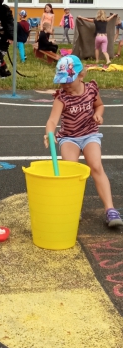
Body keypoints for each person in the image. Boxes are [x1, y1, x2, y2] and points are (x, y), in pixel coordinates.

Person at [44, 55, 123, 227]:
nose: (65, 85)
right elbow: (52, 120)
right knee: (71, 171)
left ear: (81, 75)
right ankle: (73, 207)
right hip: (69, 137)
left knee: (95, 165)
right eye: (61, 81)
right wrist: (49, 133)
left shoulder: (91, 90)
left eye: (68, 81)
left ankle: (110, 209)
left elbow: (99, 105)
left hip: (89, 134)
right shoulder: (61, 98)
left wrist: (98, 115)